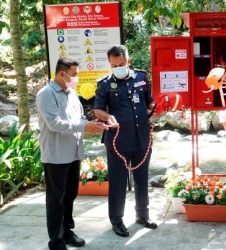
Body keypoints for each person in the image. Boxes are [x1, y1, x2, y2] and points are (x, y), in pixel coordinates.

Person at [36, 57, 107, 250]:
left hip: (74, 153)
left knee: (69, 196)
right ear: (62, 74)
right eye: (74, 75)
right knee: (56, 200)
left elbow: (81, 117)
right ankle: (56, 241)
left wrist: (92, 124)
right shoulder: (46, 94)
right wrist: (85, 126)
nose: (76, 78)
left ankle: (67, 232)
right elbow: (55, 123)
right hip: (56, 156)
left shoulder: (72, 93)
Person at [94, 45, 157, 238]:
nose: (118, 67)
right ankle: (117, 220)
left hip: (142, 138)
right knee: (118, 182)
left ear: (128, 61)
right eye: (114, 65)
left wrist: (157, 107)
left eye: (121, 64)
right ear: (110, 64)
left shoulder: (141, 77)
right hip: (118, 141)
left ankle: (142, 215)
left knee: (142, 178)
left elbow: (149, 101)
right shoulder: (104, 84)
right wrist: (107, 118)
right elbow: (98, 110)